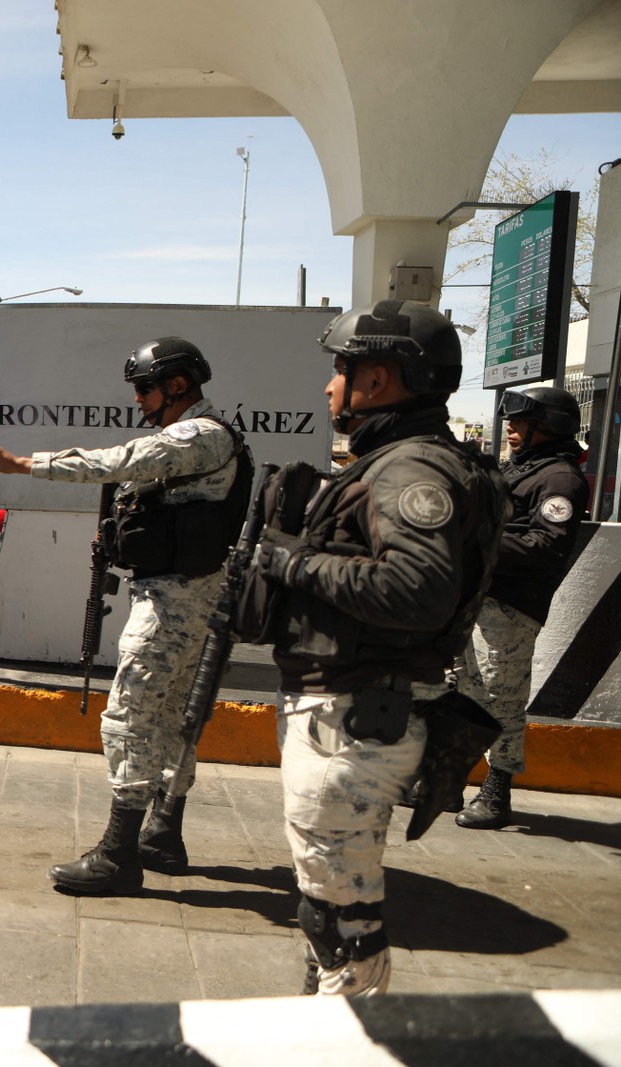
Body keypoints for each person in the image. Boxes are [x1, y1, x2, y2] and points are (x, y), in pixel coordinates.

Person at [244, 300, 505, 997]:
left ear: (381, 379)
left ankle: (350, 1036)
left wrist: (290, 564)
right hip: (352, 707)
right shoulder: (398, 460)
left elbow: (416, 590)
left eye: (343, 369)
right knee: (327, 899)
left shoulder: (409, 470)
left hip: (356, 718)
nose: (332, 386)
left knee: (340, 916)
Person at [0, 337, 250, 895]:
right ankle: (163, 834)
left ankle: (119, 854)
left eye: (146, 388)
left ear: (177, 386)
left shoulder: (200, 435)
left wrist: (30, 465)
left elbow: (124, 460)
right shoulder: (202, 435)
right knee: (173, 717)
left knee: (131, 716)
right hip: (186, 597)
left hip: (174, 603)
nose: (140, 400)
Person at [452, 385, 588, 830]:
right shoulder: (523, 470)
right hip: (480, 600)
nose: (510, 429)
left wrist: (479, 537)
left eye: (521, 423)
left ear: (548, 427)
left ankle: (497, 792)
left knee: (500, 699)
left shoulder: (560, 479)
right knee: (466, 691)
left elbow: (548, 545)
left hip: (511, 607)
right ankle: (449, 780)